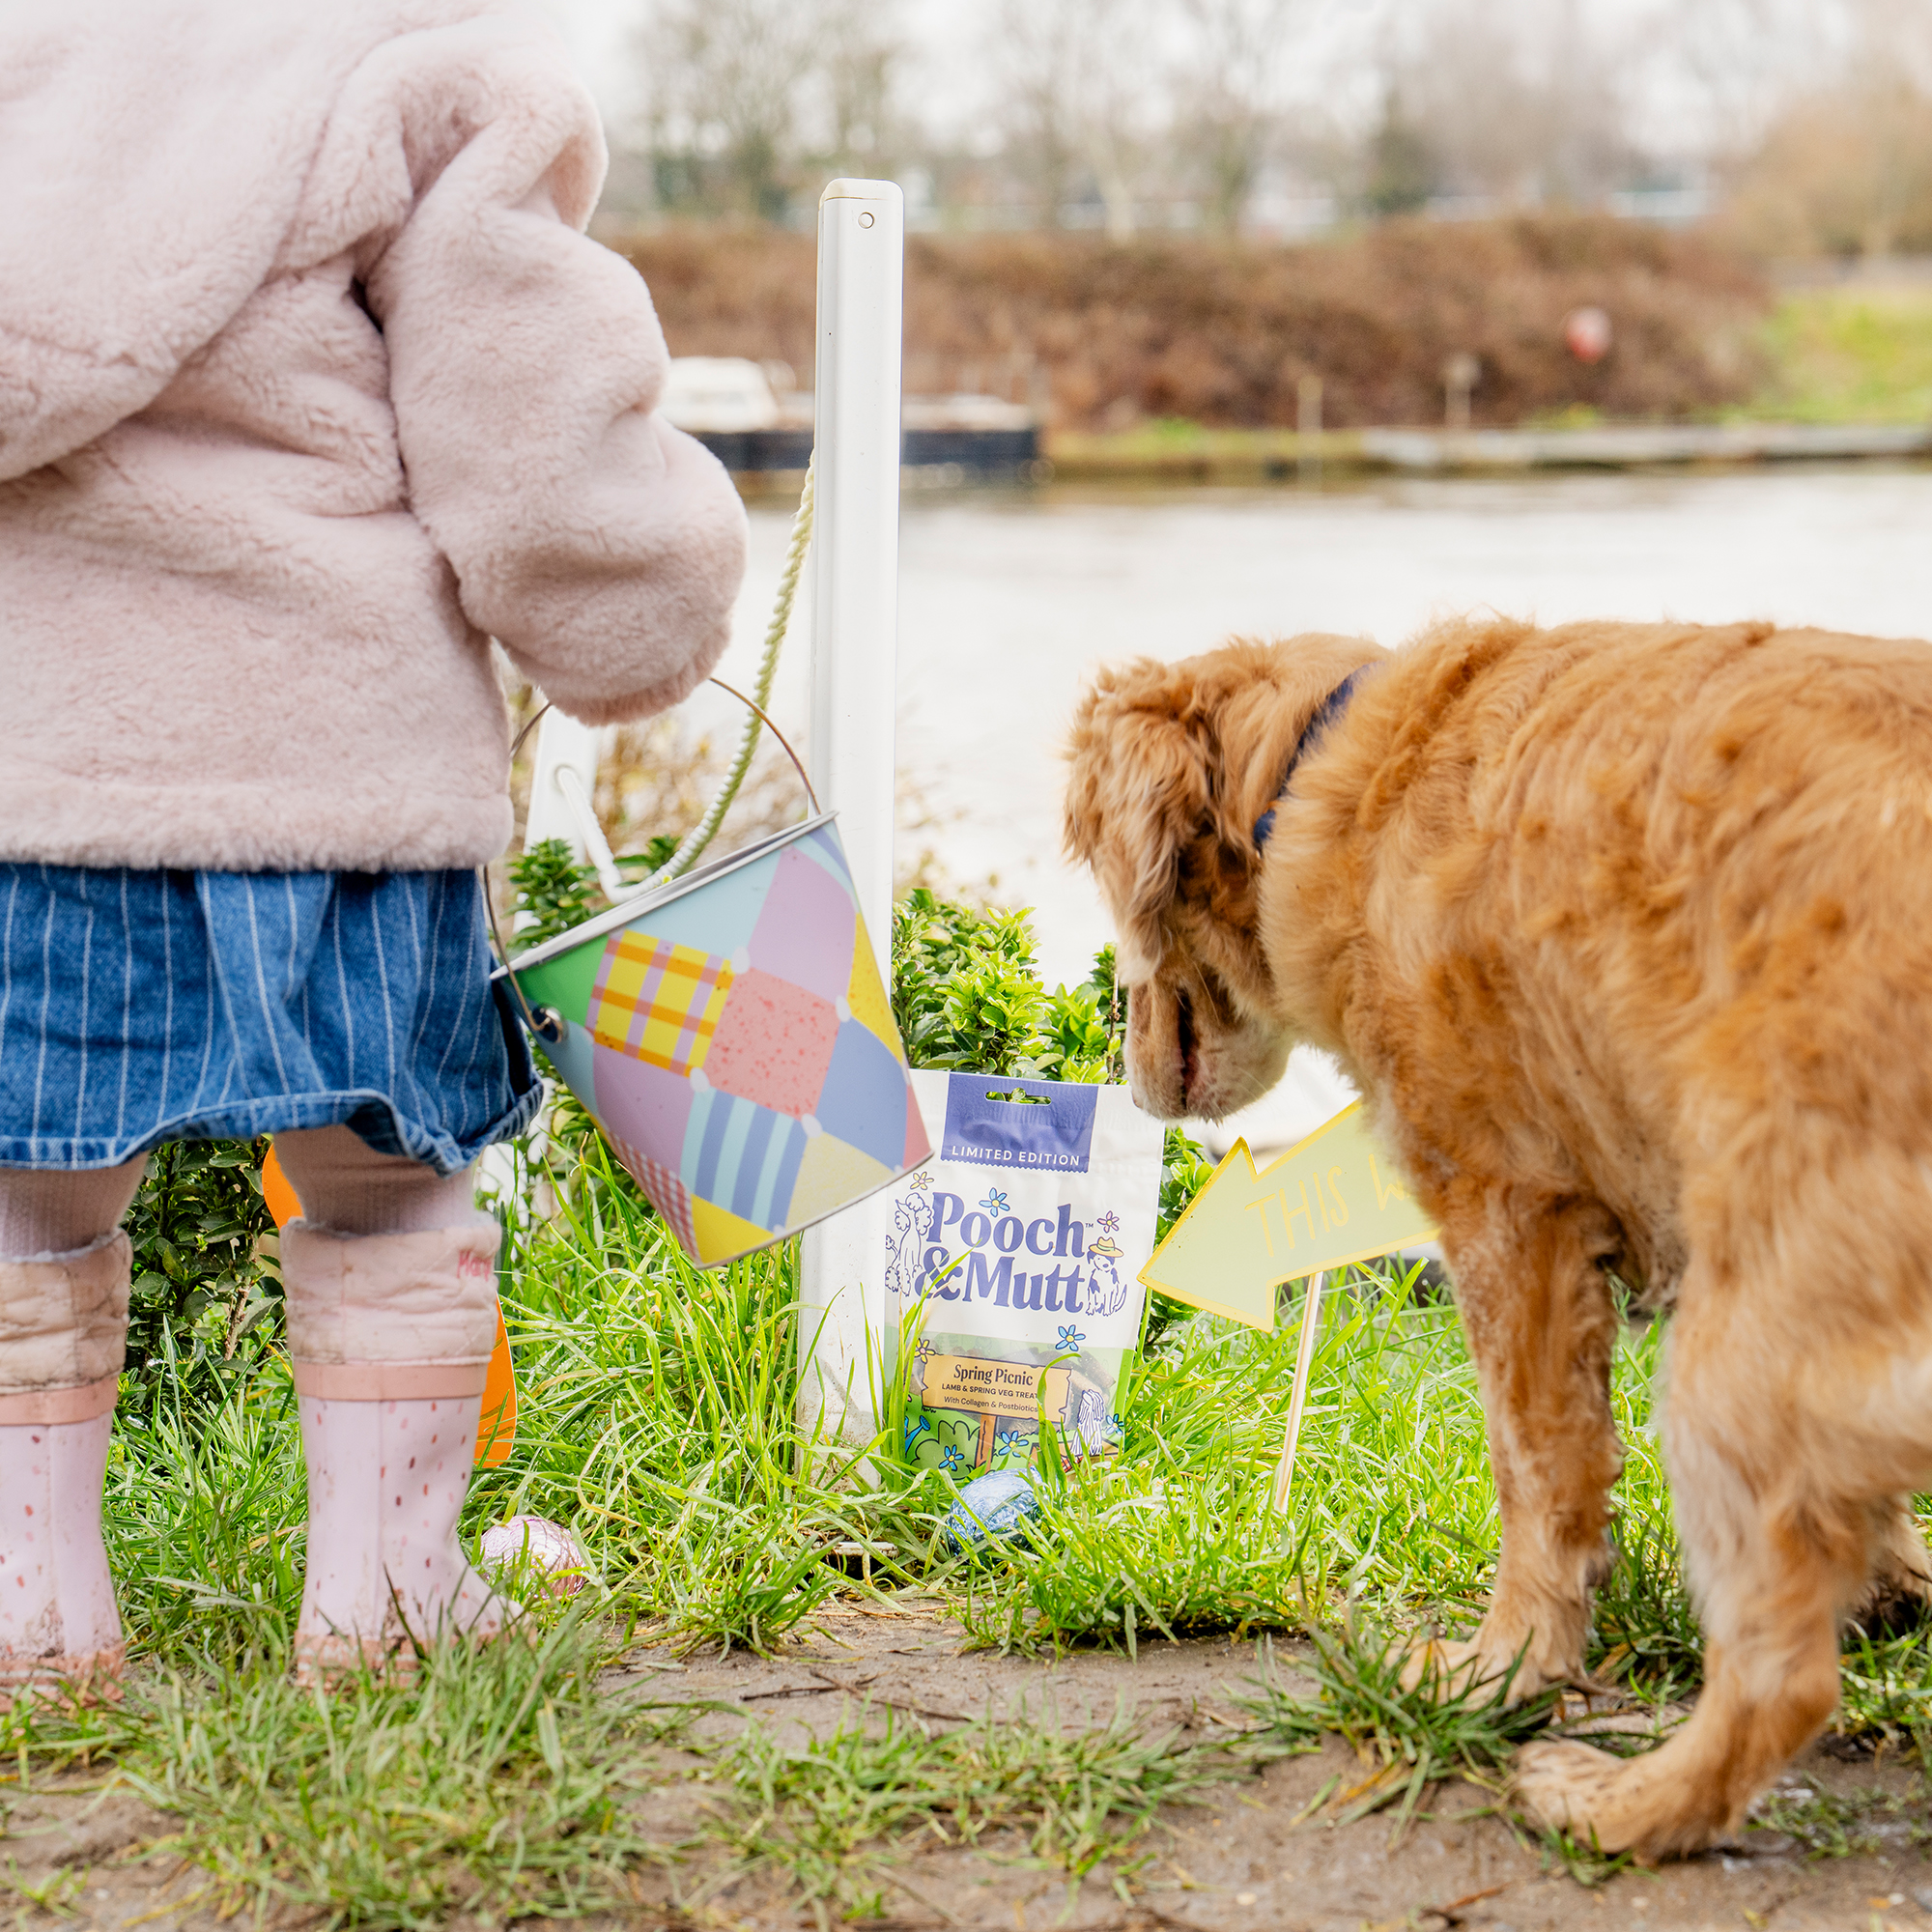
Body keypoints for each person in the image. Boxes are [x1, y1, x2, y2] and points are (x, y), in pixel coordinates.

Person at [0, 0, 749, 1687]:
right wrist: (634, 606)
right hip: (336, 763)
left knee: (25, 1197)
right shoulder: (402, 62)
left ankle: (30, 1620)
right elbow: (533, 429)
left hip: (39, 766)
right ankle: (387, 1607)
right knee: (390, 1184)